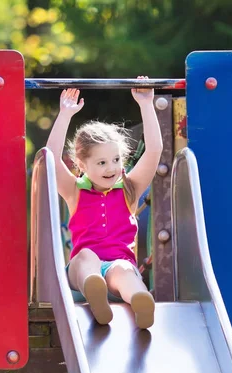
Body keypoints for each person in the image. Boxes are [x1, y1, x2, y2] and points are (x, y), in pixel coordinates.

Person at [46, 76, 163, 329]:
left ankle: (140, 300)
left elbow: (153, 151)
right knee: (85, 257)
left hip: (116, 271)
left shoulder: (129, 189)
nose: (111, 168)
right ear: (81, 165)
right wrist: (65, 114)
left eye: (116, 160)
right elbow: (51, 159)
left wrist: (146, 104)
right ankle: (94, 290)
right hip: (82, 274)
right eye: (101, 163)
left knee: (123, 269)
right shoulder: (75, 192)